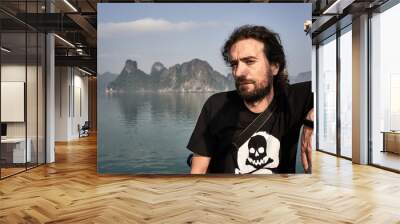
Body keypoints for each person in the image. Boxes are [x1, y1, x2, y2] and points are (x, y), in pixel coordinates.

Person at [187, 25, 314, 174]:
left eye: (250, 61)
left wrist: (311, 118)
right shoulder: (216, 106)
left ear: (274, 66)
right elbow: (198, 171)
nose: (239, 72)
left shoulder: (294, 99)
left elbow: (341, 86)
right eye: (234, 64)